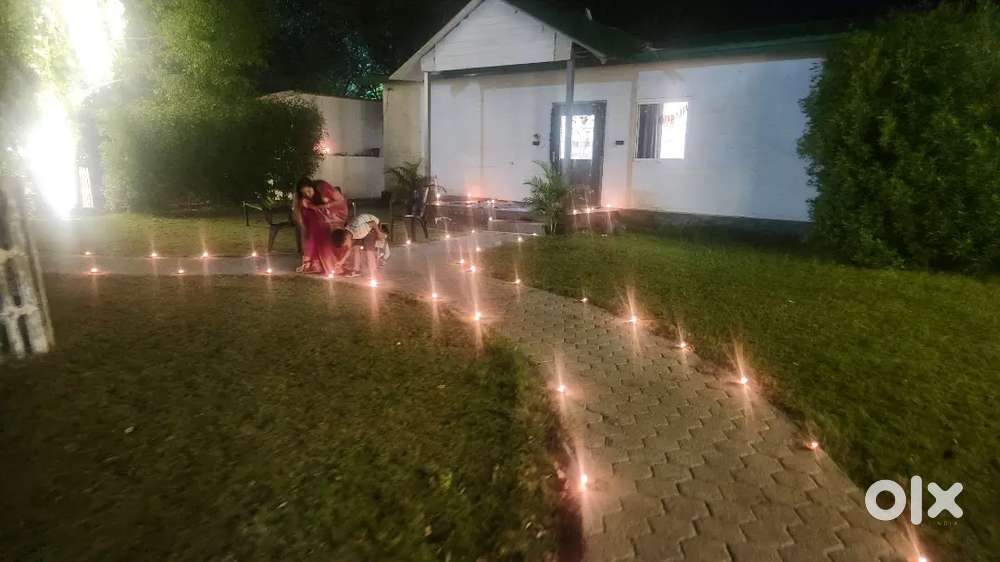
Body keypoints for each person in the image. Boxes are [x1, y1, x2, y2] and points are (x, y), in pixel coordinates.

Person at [293, 178, 337, 274]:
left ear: (313, 187)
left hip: (323, 224)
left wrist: (325, 207)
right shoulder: (304, 201)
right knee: (311, 239)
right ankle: (311, 264)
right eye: (304, 193)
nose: (307, 194)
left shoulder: (321, 196)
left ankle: (322, 264)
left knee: (322, 242)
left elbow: (331, 207)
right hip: (311, 224)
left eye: (309, 191)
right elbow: (301, 215)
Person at [332, 213, 385, 277]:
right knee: (356, 248)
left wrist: (379, 233)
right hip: (361, 229)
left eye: (345, 244)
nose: (346, 245)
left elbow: (373, 223)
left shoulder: (359, 230)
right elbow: (349, 249)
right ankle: (356, 270)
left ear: (346, 238)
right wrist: (341, 262)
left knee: (369, 250)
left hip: (372, 227)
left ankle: (373, 272)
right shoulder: (348, 232)